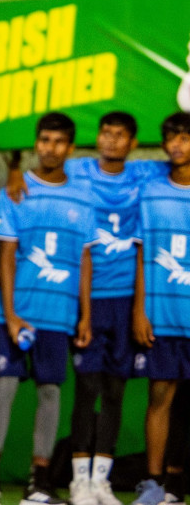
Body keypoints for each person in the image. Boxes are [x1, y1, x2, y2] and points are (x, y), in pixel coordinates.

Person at [42, 111, 163, 505]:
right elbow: (42, 172)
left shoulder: (145, 174)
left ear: (132, 142)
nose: (110, 140)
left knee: (115, 391)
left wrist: (139, 309)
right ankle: (79, 480)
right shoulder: (76, 169)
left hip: (127, 301)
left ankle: (101, 482)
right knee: (86, 389)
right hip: (87, 298)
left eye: (120, 135)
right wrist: (13, 176)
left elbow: (181, 161)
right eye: (105, 133)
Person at [0, 112, 95, 505]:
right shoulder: (15, 190)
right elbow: (7, 256)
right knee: (4, 390)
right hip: (15, 314)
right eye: (44, 140)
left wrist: (86, 315)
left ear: (71, 148)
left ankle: (39, 484)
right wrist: (10, 315)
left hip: (59, 317)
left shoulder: (84, 196)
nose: (50, 148)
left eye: (59, 142)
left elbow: (84, 258)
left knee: (50, 394)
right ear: (36, 143)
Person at [131, 111, 190, 505]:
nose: (175, 145)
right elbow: (141, 255)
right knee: (160, 397)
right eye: (170, 137)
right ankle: (155, 486)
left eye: (184, 138)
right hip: (162, 316)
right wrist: (139, 311)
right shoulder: (150, 191)